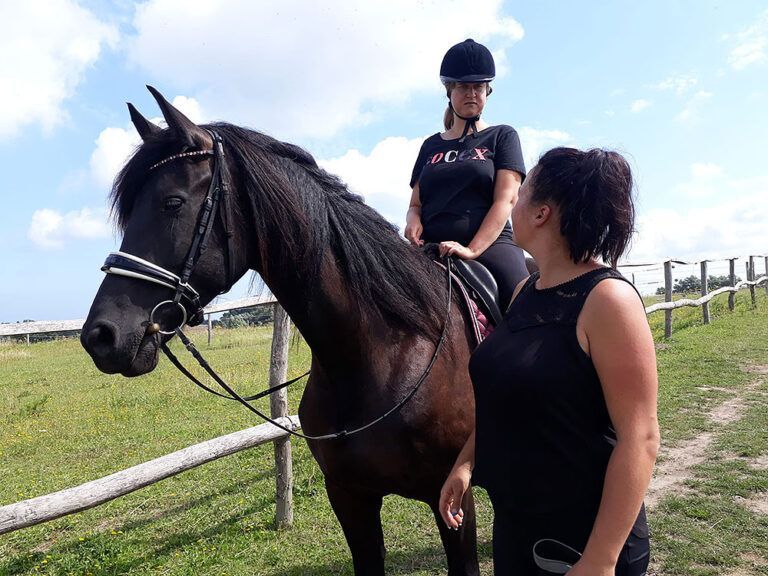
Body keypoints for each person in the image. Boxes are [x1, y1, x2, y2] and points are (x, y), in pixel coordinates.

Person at [439, 147, 660, 576]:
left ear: (541, 213)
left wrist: (600, 560)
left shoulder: (607, 300)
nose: (511, 205)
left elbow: (641, 439)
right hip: (518, 528)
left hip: (580, 540)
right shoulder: (525, 293)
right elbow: (506, 399)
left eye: (520, 196)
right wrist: (466, 462)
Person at [406, 38, 529, 308]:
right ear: (449, 90)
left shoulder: (502, 136)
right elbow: (416, 204)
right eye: (463, 86)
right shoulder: (431, 145)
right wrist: (412, 222)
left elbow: (506, 200)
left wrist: (472, 249)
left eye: (478, 87)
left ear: (487, 91)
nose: (471, 93)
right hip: (430, 247)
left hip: (491, 246)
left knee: (524, 300)